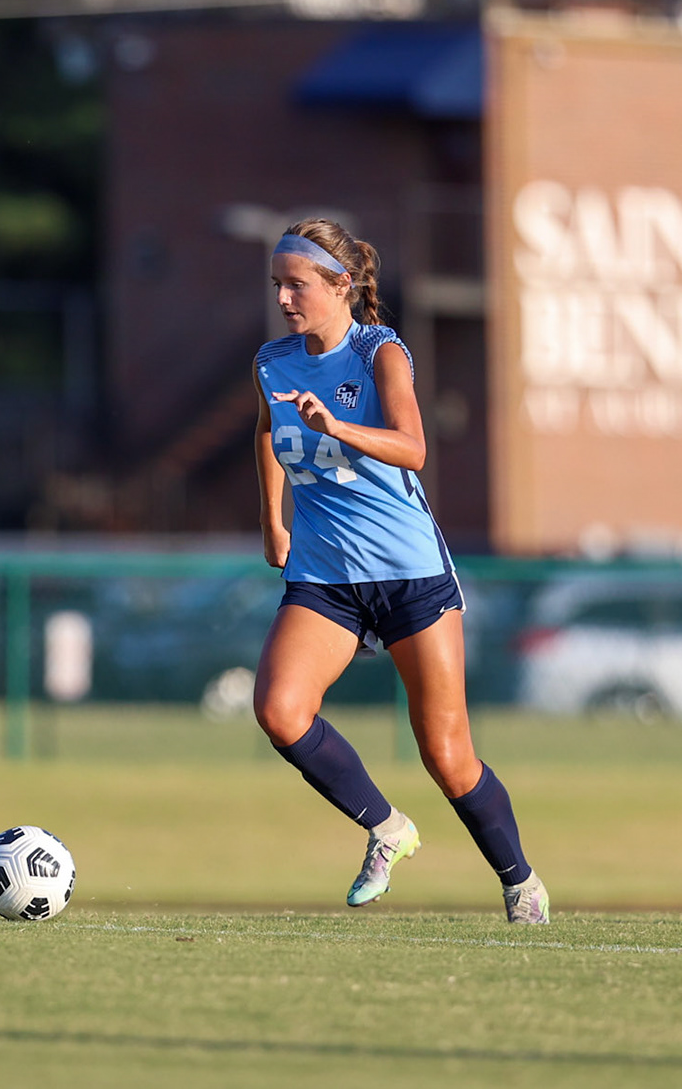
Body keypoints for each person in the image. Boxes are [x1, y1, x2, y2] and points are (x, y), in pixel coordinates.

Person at [252, 219, 548, 924]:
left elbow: (413, 447)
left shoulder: (380, 352)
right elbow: (267, 426)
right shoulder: (272, 360)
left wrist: (339, 427)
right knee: (279, 710)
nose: (285, 299)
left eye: (297, 285)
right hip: (325, 576)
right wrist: (272, 517)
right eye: (278, 286)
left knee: (447, 757)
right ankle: (387, 828)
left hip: (410, 575)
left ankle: (520, 883)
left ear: (340, 286)